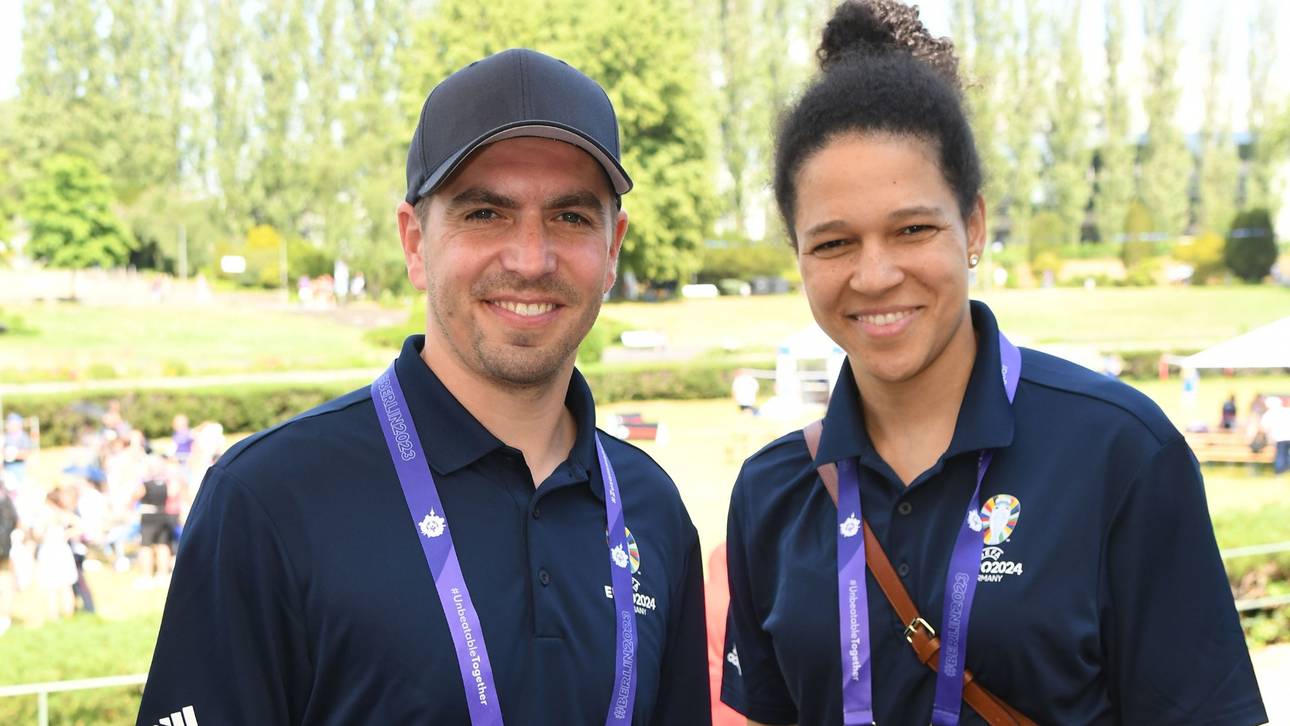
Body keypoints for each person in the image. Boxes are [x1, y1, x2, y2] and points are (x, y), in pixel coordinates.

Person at [719, 3, 1266, 724]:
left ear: (972, 226)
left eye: (912, 229)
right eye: (833, 243)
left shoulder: (1119, 452)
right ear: (798, 254)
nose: (875, 274)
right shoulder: (771, 494)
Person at [138, 48, 709, 726]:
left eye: (570, 216)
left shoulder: (652, 508)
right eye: (485, 214)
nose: (531, 259)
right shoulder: (268, 500)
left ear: (613, 249)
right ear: (415, 242)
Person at [1260, 396, 1290, 475]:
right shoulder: (1286, 411)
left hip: (1279, 437)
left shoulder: (1269, 413)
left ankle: (1280, 472)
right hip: (1286, 436)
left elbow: (1264, 427)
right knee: (1286, 454)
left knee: (1280, 455)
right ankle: (1285, 471)